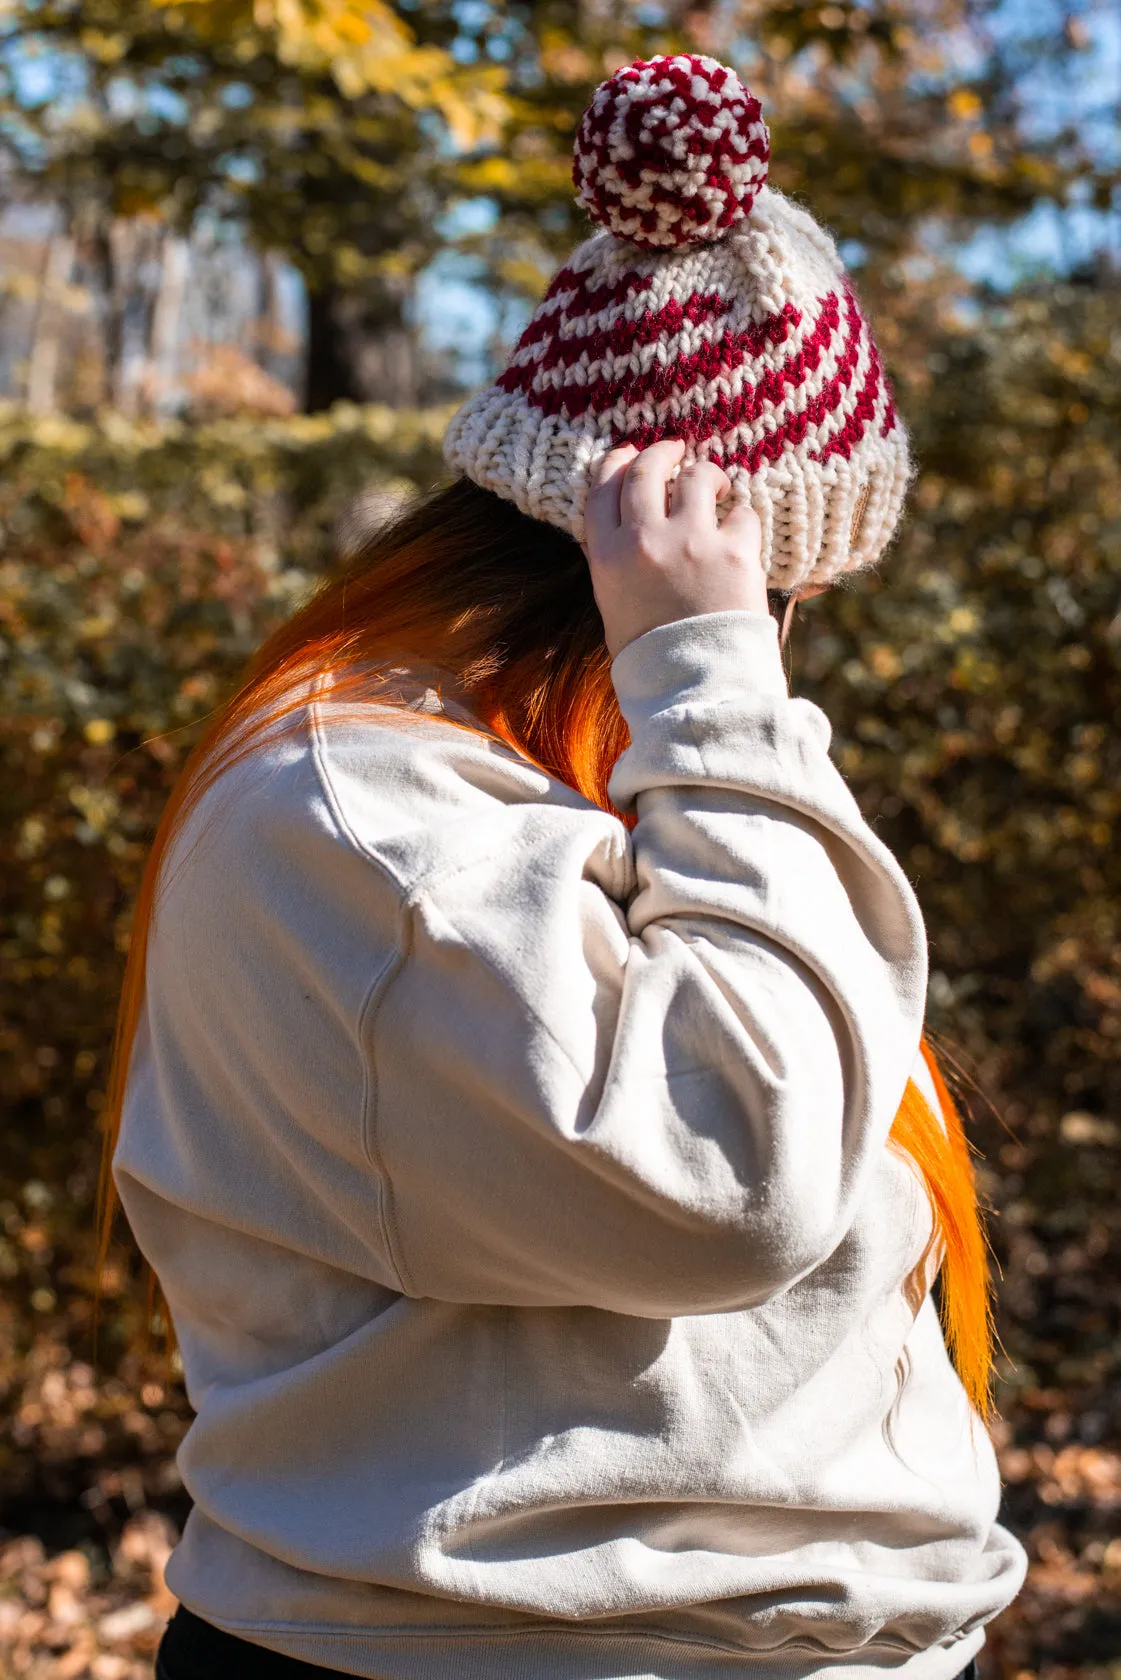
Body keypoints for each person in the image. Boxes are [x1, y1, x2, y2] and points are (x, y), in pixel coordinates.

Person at [105, 52, 1026, 1680]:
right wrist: (715, 679)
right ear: (662, 575)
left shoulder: (597, 786)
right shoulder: (365, 815)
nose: (785, 657)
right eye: (784, 602)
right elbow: (735, 1178)